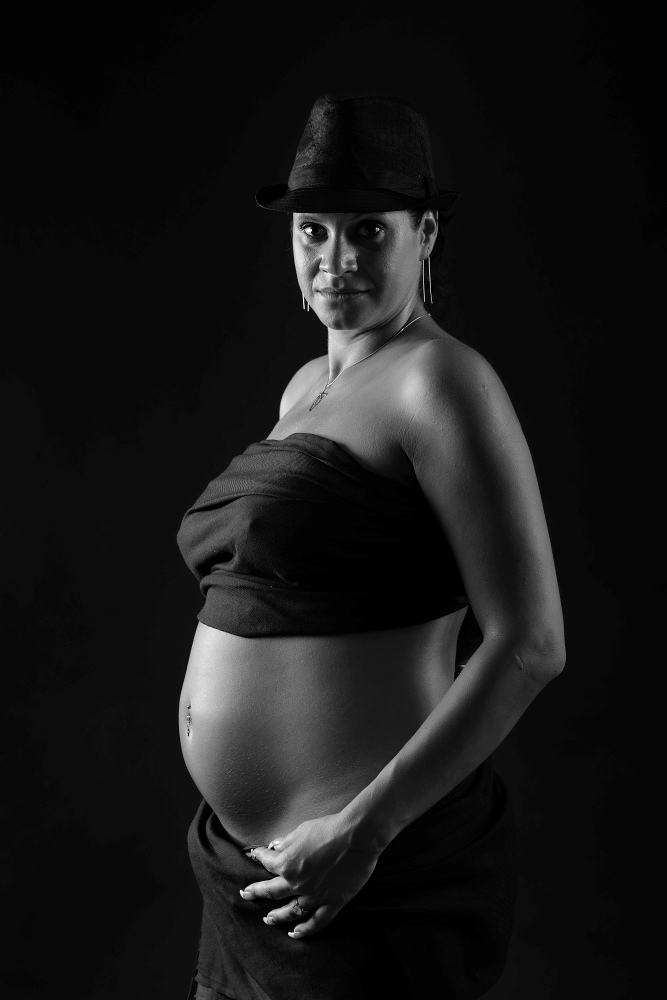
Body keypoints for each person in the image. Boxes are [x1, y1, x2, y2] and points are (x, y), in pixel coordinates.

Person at [177, 94, 565, 1000]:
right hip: (251, 876)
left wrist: (363, 831)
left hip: (362, 872)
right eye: (312, 231)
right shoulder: (304, 388)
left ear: (423, 234)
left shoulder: (443, 381)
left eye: (368, 232)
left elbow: (531, 644)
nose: (335, 259)